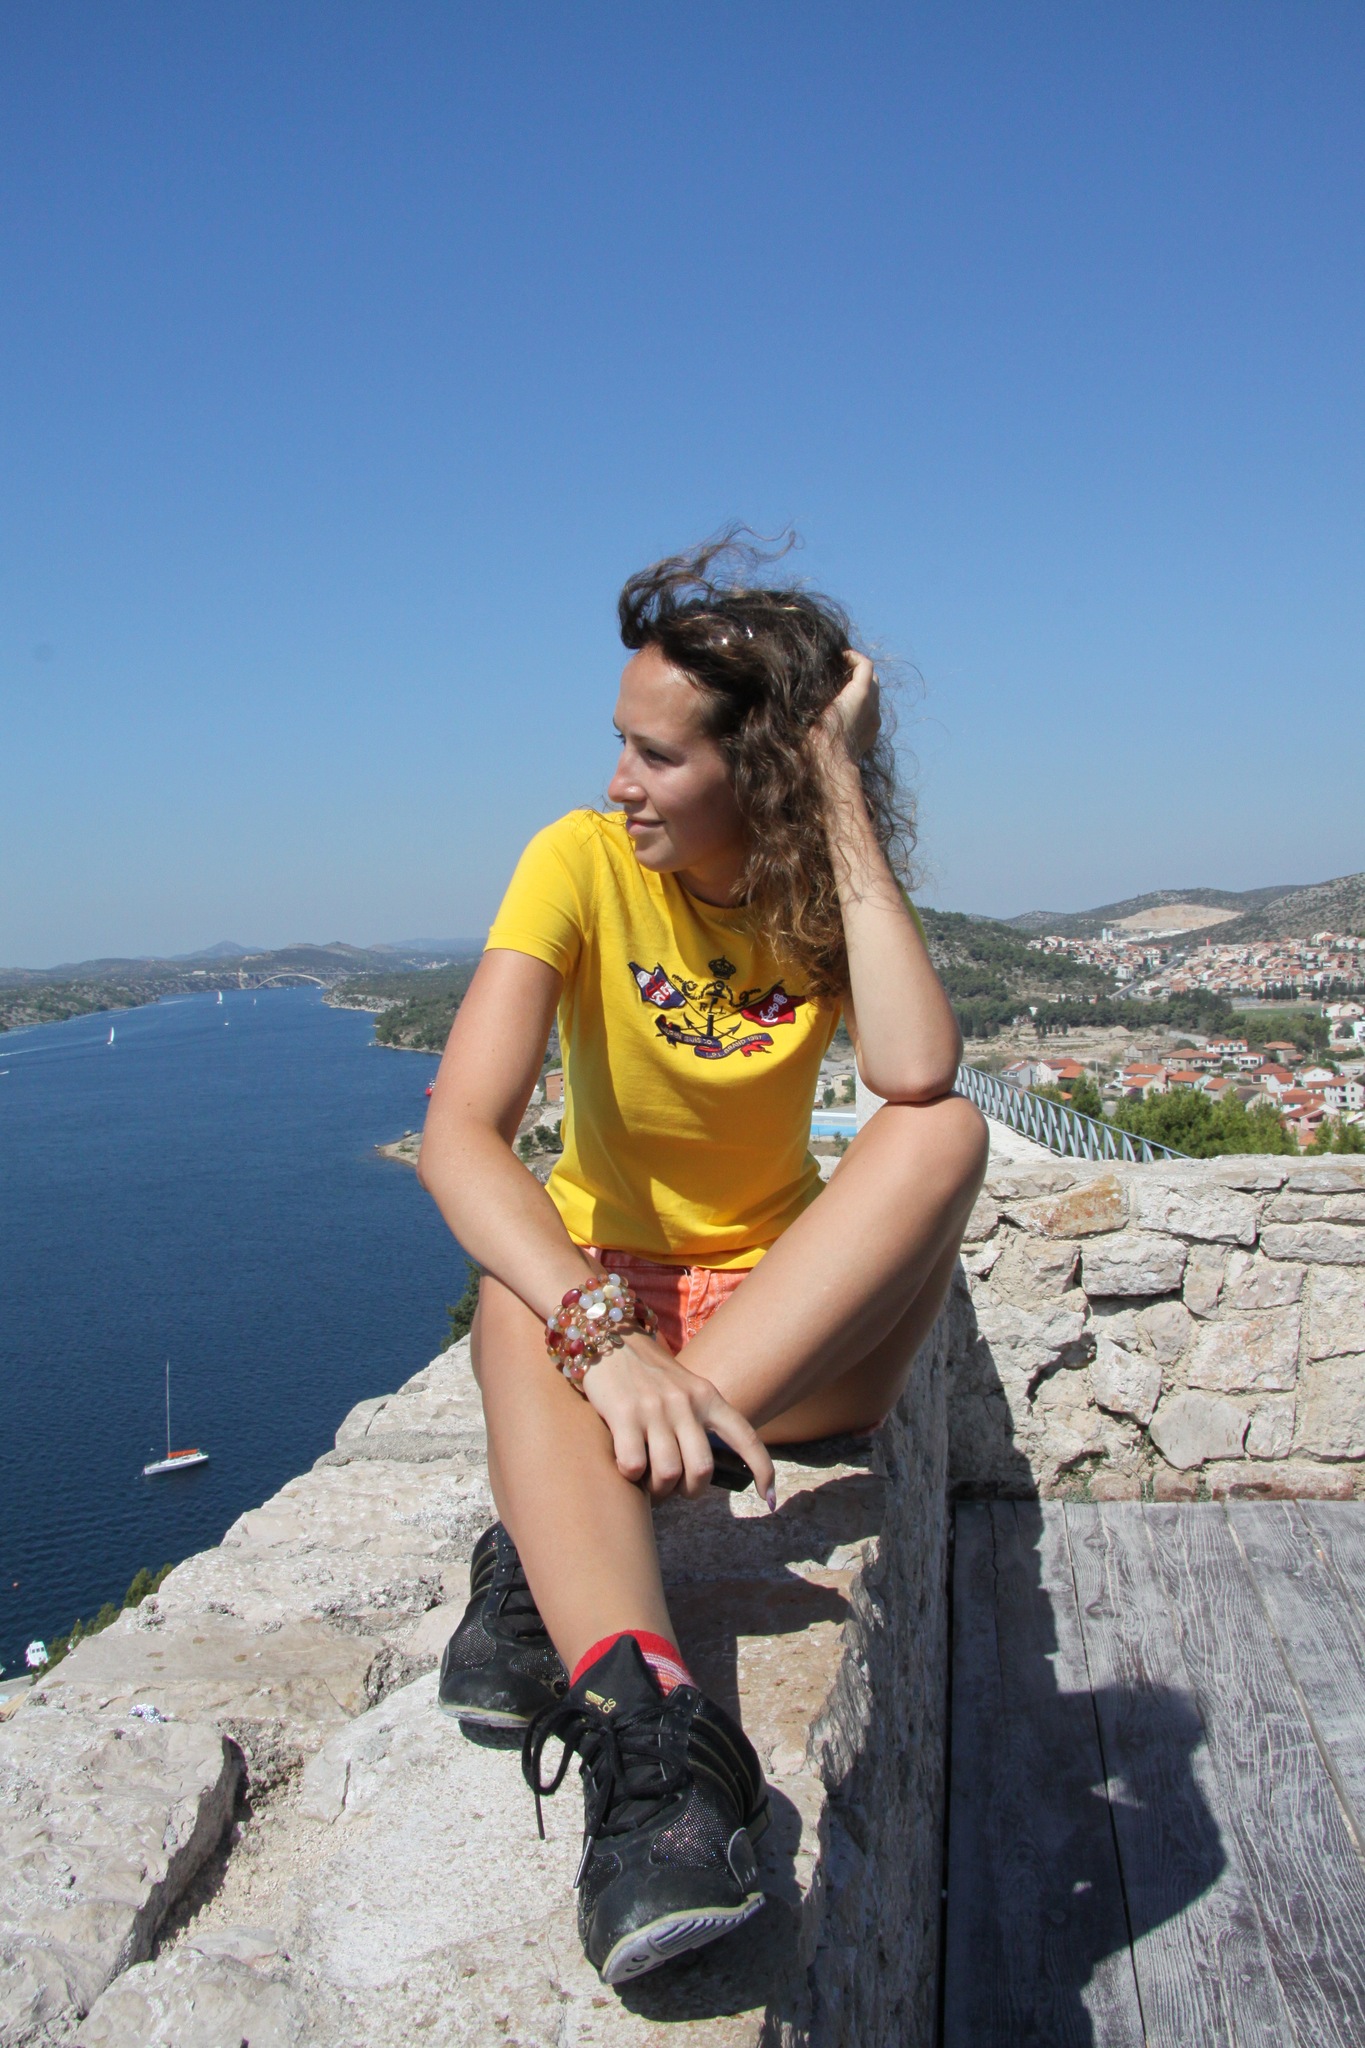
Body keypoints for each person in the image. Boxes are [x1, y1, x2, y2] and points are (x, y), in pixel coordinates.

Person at [418, 536, 987, 1987]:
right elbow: (460, 1136)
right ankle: (656, 1745)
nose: (620, 781)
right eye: (621, 744)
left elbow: (915, 1071)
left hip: (782, 1330)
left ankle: (552, 1531)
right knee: (519, 1287)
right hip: (605, 1302)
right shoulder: (577, 860)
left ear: (763, 767)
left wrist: (837, 787)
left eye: (658, 756)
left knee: (945, 1133)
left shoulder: (818, 887)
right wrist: (604, 1338)